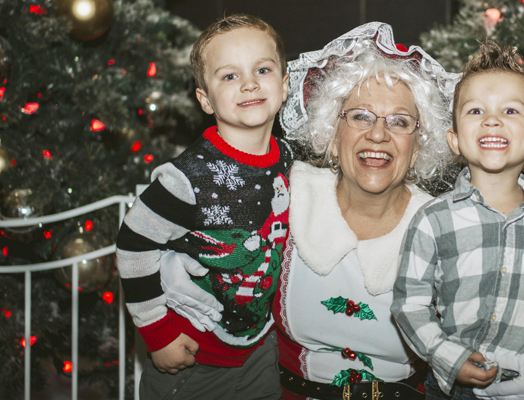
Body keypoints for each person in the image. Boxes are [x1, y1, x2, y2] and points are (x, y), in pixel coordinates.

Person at [160, 22, 461, 400]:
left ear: (417, 147)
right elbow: (185, 242)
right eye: (360, 116)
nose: (378, 135)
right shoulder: (286, 194)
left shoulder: (447, 226)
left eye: (399, 122)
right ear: (332, 137)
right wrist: (164, 310)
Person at [390, 40, 524, 400]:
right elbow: (409, 304)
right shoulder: (433, 220)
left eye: (510, 111)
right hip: (455, 387)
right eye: (475, 111)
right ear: (455, 140)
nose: (492, 120)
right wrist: (447, 355)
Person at [115, 14, 292, 399]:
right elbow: (133, 246)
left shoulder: (290, 161)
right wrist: (157, 333)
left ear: (285, 83)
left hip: (261, 351)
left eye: (262, 69)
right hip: (193, 361)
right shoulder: (186, 178)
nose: (249, 83)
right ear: (204, 100)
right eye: (229, 76)